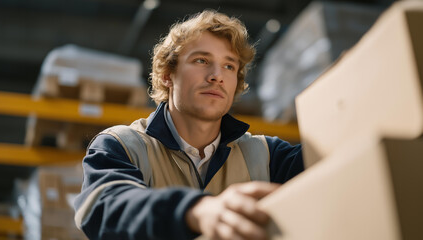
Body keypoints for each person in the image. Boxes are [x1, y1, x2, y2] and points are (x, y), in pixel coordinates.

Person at [74, 10, 303, 240]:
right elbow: (104, 207)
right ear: (167, 75)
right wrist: (194, 210)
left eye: (229, 66)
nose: (217, 76)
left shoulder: (267, 155)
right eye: (201, 60)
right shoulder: (120, 145)